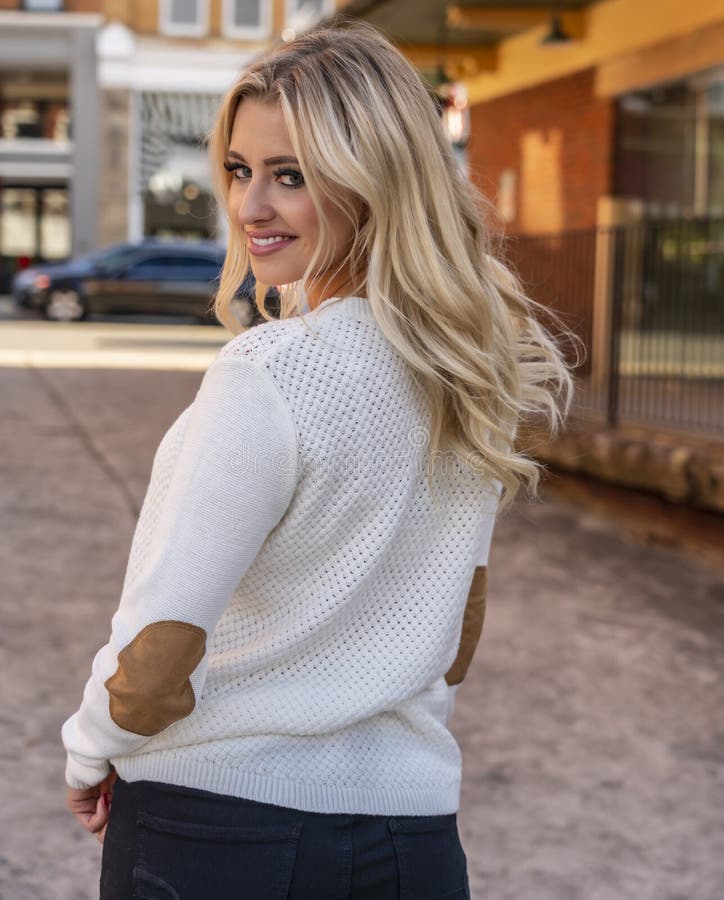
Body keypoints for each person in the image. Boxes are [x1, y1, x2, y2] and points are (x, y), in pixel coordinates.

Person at [62, 23, 572, 899]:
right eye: (239, 169)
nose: (250, 205)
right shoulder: (468, 372)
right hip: (412, 842)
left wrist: (88, 752)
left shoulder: (269, 373)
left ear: (375, 181)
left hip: (219, 830)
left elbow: (160, 642)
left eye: (290, 175)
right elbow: (455, 636)